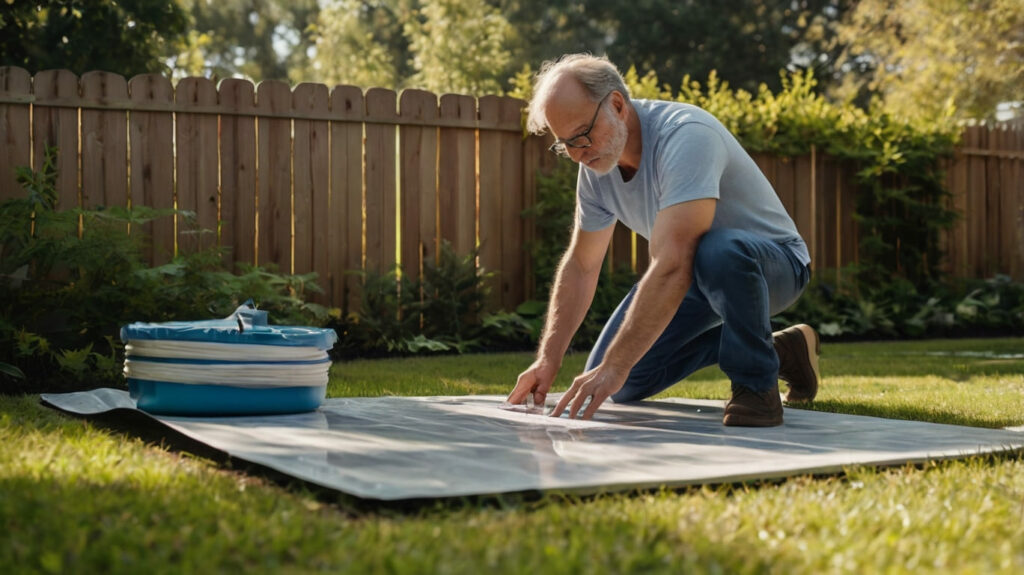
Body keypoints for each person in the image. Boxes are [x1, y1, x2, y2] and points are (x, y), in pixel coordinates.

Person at [506, 54, 820, 426]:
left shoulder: (686, 135)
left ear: (617, 105)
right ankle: (781, 351)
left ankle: (756, 389)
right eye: (565, 145)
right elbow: (582, 265)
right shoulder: (596, 166)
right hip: (693, 272)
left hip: (774, 266)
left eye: (582, 136)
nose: (577, 154)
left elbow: (675, 259)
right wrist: (548, 359)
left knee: (714, 250)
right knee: (621, 383)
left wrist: (615, 364)